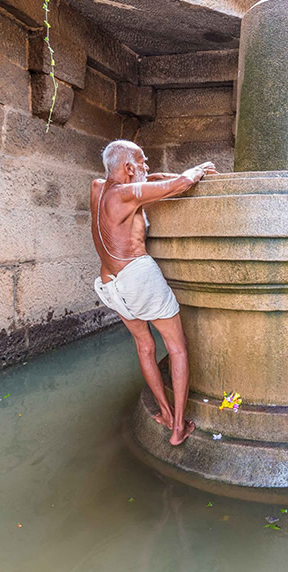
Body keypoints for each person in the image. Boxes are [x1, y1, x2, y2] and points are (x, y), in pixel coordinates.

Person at [90, 140, 216, 445]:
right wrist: (199, 169)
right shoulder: (124, 195)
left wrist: (152, 176)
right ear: (129, 168)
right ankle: (178, 429)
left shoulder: (98, 187)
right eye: (142, 162)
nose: (147, 167)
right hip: (137, 277)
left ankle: (165, 413)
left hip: (110, 284)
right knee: (177, 348)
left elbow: (148, 181)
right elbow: (180, 185)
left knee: (145, 347)